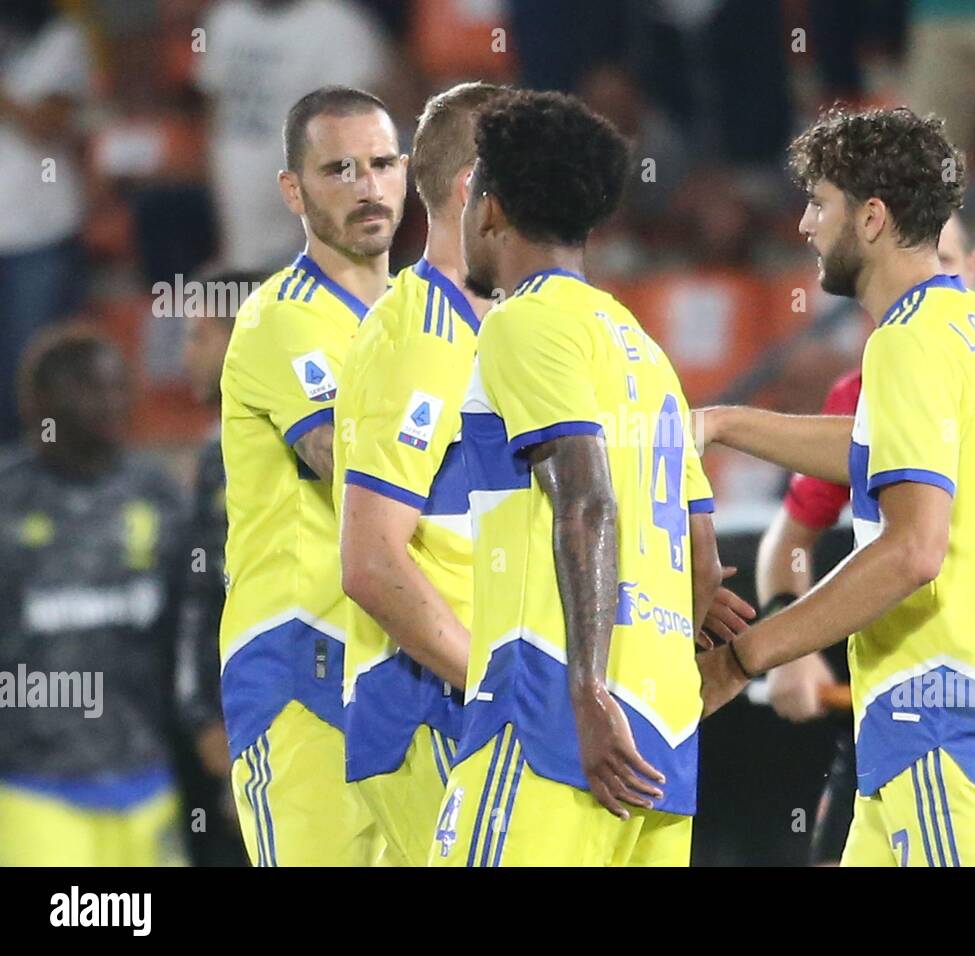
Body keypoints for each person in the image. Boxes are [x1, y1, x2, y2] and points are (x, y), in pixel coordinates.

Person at [696, 106, 975, 866]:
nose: (804, 224)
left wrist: (742, 657)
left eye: (820, 203)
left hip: (943, 731)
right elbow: (880, 450)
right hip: (937, 733)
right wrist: (725, 422)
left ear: (874, 217)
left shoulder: (906, 342)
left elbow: (913, 550)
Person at [431, 90, 738, 867]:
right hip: (664, 741)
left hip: (554, 720)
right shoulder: (643, 348)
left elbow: (586, 500)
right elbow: (703, 559)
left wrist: (589, 691)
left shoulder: (521, 322)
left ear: (489, 207)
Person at [219, 85, 405, 865]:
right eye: (339, 170)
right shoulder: (281, 317)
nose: (367, 186)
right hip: (301, 663)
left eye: (382, 163)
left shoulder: (422, 320)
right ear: (292, 190)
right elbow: (356, 470)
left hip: (397, 664)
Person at [333, 81, 503, 868]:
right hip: (433, 711)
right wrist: (502, 682)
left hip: (481, 708)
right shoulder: (419, 337)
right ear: (475, 189)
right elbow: (370, 559)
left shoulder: (498, 330)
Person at [0, 326, 187, 866]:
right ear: (39, 404)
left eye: (117, 386)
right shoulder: (8, 502)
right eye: (88, 388)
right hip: (30, 789)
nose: (110, 402)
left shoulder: (156, 495)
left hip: (147, 778)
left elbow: (194, 623)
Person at [196, 0, 390, 271]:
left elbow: (356, 132)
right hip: (234, 203)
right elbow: (212, 110)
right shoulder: (226, 19)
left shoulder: (338, 26)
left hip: (302, 214)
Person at [177, 270, 260, 866]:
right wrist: (204, 716)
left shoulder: (307, 447)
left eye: (198, 336)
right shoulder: (214, 454)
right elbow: (203, 596)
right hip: (227, 727)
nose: (187, 355)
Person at [0, 0, 92, 443]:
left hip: (37, 234)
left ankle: (38, 479)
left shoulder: (59, 38)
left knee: (32, 370)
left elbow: (48, 122)